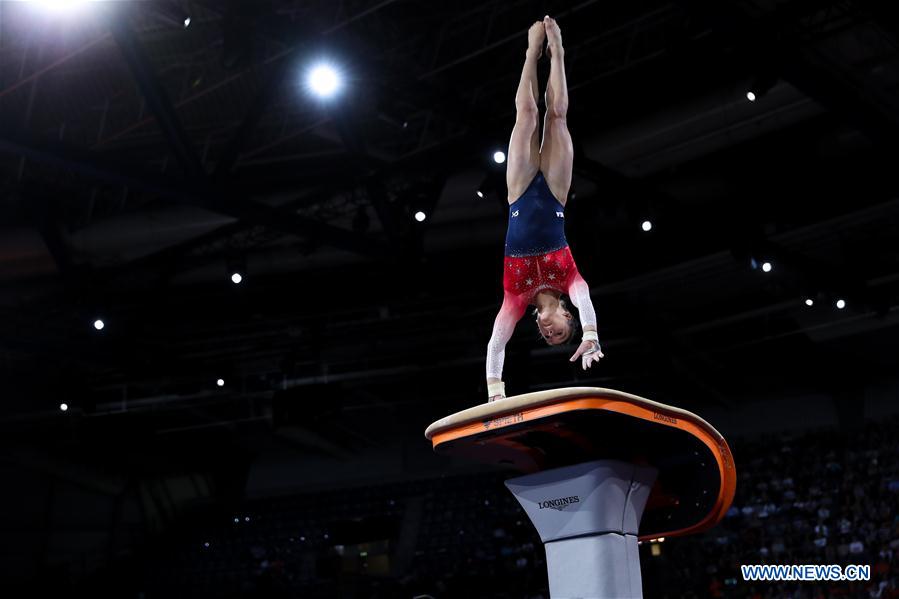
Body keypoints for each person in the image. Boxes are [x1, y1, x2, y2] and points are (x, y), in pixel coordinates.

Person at [486, 16, 603, 403]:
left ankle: (530, 52)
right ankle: (558, 55)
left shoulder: (514, 298)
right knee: (556, 116)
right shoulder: (570, 280)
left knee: (527, 115)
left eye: (548, 336)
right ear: (567, 317)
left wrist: (496, 392)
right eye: (561, 333)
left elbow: (496, 343)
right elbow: (586, 296)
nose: (552, 334)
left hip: (518, 196)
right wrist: (590, 335)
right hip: (554, 195)